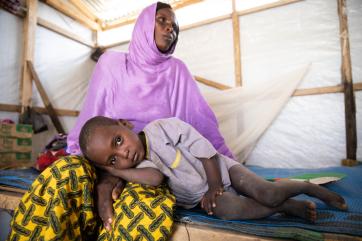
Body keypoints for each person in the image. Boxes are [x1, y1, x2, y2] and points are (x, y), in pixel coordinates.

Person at [8, 2, 234, 240]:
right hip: (103, 156)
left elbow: (201, 124)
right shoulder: (111, 63)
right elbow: (91, 116)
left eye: (175, 26)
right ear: (144, 25)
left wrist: (228, 165)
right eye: (162, 21)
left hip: (152, 163)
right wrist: (102, 171)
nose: (170, 29)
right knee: (63, 176)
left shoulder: (177, 70)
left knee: (142, 206)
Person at [79, 116, 348, 222]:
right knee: (235, 211)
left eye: (118, 141)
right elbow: (155, 177)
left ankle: (306, 187)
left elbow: (202, 146)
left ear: (125, 125)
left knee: (265, 192)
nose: (123, 153)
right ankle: (286, 207)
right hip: (203, 199)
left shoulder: (160, 129)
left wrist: (214, 184)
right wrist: (119, 173)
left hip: (220, 170)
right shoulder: (139, 167)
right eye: (113, 159)